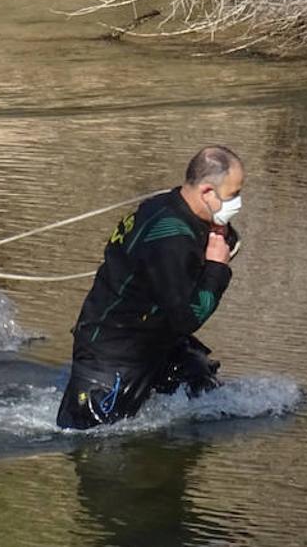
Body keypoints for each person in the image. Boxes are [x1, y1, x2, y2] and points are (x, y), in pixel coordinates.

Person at [56, 146, 244, 430]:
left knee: (202, 385)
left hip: (156, 343)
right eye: (233, 195)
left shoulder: (168, 204)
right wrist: (217, 269)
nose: (238, 203)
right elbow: (187, 317)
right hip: (113, 354)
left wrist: (222, 236)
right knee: (93, 437)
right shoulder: (171, 237)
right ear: (207, 192)